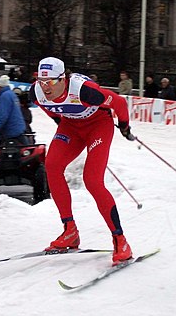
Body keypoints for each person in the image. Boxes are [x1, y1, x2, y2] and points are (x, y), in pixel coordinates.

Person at [29, 57, 135, 266]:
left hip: (98, 126)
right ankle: (70, 231)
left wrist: (124, 126)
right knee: (51, 165)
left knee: (92, 181)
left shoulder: (84, 90)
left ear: (63, 79)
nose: (45, 87)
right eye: (41, 81)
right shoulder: (37, 92)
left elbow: (119, 102)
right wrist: (60, 120)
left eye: (50, 82)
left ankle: (120, 241)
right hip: (71, 127)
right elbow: (47, 107)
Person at [0, 75, 28, 145]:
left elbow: (2, 116)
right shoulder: (12, 94)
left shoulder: (4, 97)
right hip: (19, 129)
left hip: (10, 132)